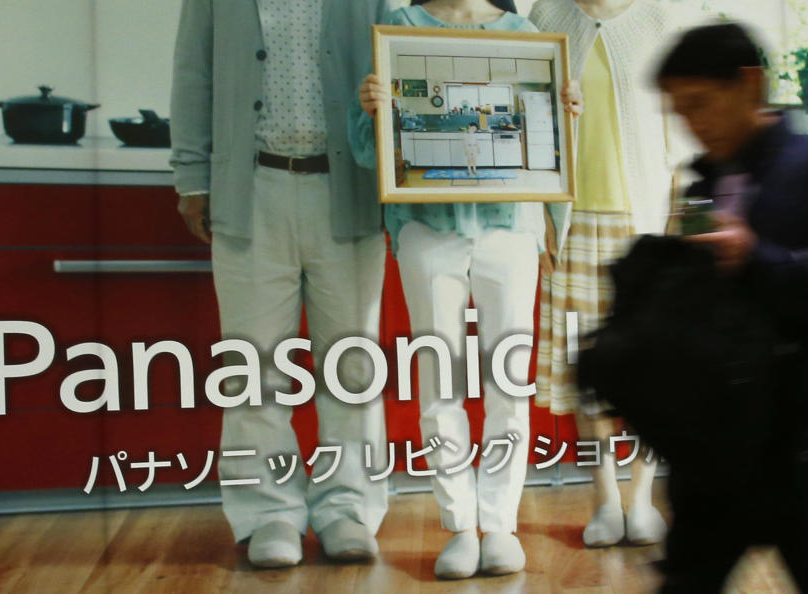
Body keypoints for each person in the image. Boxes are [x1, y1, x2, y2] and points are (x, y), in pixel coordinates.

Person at [654, 22, 808, 593]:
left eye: (701, 104)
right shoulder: (700, 186)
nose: (693, 123)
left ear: (749, 84)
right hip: (719, 457)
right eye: (680, 111)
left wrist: (757, 259)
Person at [351, 0, 582, 579]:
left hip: (512, 226)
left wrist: (567, 116)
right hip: (427, 228)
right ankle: (459, 525)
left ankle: (499, 523)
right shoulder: (399, 29)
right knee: (439, 385)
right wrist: (371, 111)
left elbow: (549, 149)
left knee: (510, 379)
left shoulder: (525, 35)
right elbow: (362, 149)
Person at [169, 0, 394, 569]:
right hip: (253, 187)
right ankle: (267, 513)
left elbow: (400, 65)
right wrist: (192, 177)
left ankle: (348, 508)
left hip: (350, 188)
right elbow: (193, 74)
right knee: (253, 365)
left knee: (352, 365)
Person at [529, 0, 691, 548]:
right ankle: (604, 500)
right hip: (570, 226)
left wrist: (681, 231)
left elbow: (684, 136)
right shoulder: (546, 17)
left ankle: (642, 498)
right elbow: (523, 130)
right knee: (586, 375)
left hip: (645, 225)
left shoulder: (660, 21)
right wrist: (540, 221)